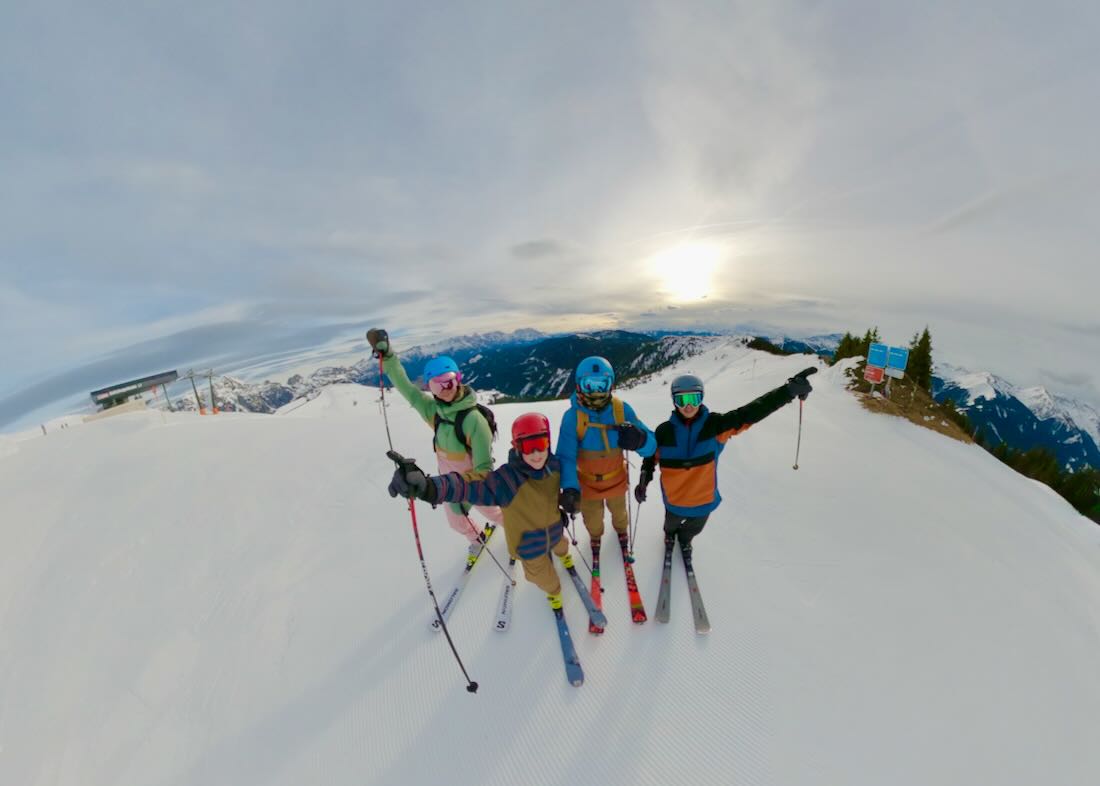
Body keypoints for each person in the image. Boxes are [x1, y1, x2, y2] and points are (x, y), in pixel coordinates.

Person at [388, 412, 578, 612]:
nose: (537, 453)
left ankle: (564, 556)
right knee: (545, 578)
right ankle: (554, 592)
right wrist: (430, 487)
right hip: (529, 545)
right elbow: (470, 485)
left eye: (542, 443)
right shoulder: (508, 481)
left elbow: (571, 480)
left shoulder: (555, 466)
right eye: (528, 446)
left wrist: (572, 498)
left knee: (561, 544)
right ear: (517, 446)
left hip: (555, 529)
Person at [635, 371, 814, 554]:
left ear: (702, 398)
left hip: (703, 501)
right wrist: (644, 479)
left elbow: (751, 412)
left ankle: (685, 540)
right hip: (674, 501)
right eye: (682, 400)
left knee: (694, 529)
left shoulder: (716, 425)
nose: (688, 406)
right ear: (674, 401)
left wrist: (787, 392)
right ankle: (670, 536)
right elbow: (650, 458)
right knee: (670, 525)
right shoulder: (664, 432)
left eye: (694, 399)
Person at [367, 328, 503, 550]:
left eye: (448, 381)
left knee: (498, 514)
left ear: (458, 380)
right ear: (429, 387)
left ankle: (523, 537)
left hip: (474, 486)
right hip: (449, 485)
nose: (444, 389)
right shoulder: (435, 412)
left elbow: (484, 470)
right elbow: (406, 388)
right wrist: (388, 357)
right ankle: (478, 538)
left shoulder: (474, 421)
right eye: (436, 384)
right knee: (456, 523)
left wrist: (463, 495)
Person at [556, 356, 656, 563]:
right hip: (587, 484)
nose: (596, 391)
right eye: (589, 385)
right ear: (579, 385)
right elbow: (565, 456)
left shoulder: (622, 410)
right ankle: (595, 536)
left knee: (620, 512)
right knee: (592, 519)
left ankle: (621, 530)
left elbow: (652, 447)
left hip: (616, 479)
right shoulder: (573, 417)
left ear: (611, 384)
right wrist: (570, 487)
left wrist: (641, 439)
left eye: (602, 384)